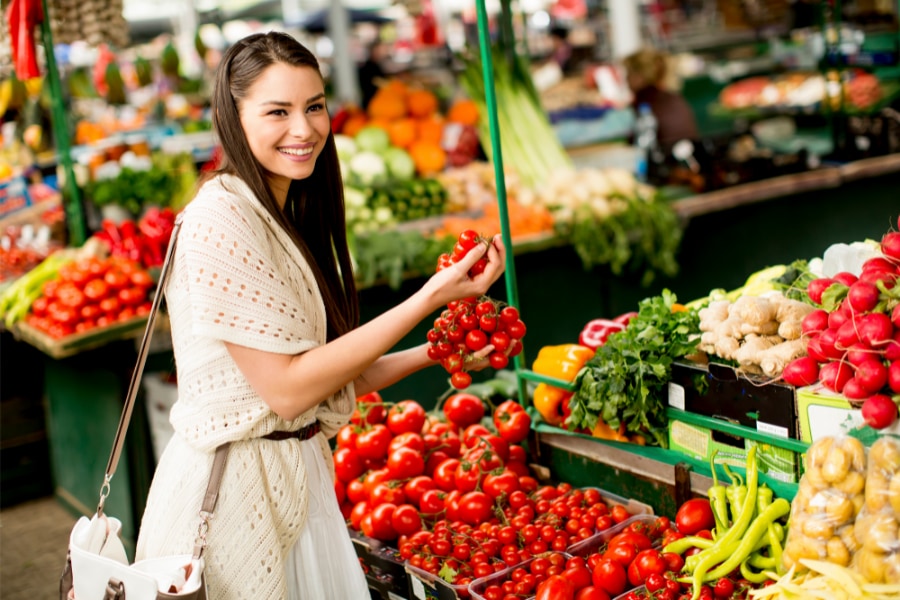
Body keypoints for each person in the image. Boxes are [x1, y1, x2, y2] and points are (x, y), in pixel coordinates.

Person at [134, 31, 506, 599]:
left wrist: (438, 351)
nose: (304, 129)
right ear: (232, 117)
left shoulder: (278, 211)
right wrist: (429, 298)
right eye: (277, 111)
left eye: (314, 106)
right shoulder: (219, 221)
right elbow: (285, 391)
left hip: (296, 485)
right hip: (234, 500)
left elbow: (326, 377)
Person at [622, 47, 699, 148]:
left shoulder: (644, 102)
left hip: (665, 159)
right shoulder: (674, 97)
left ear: (640, 76)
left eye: (629, 74)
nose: (625, 79)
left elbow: (636, 144)